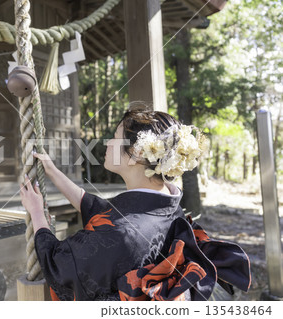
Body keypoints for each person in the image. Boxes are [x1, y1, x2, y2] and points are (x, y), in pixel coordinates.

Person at [19, 106, 251, 301]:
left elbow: (60, 267)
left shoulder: (123, 234)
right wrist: (53, 172)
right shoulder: (167, 207)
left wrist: (37, 213)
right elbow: (101, 211)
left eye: (116, 137)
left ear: (136, 155)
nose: (108, 143)